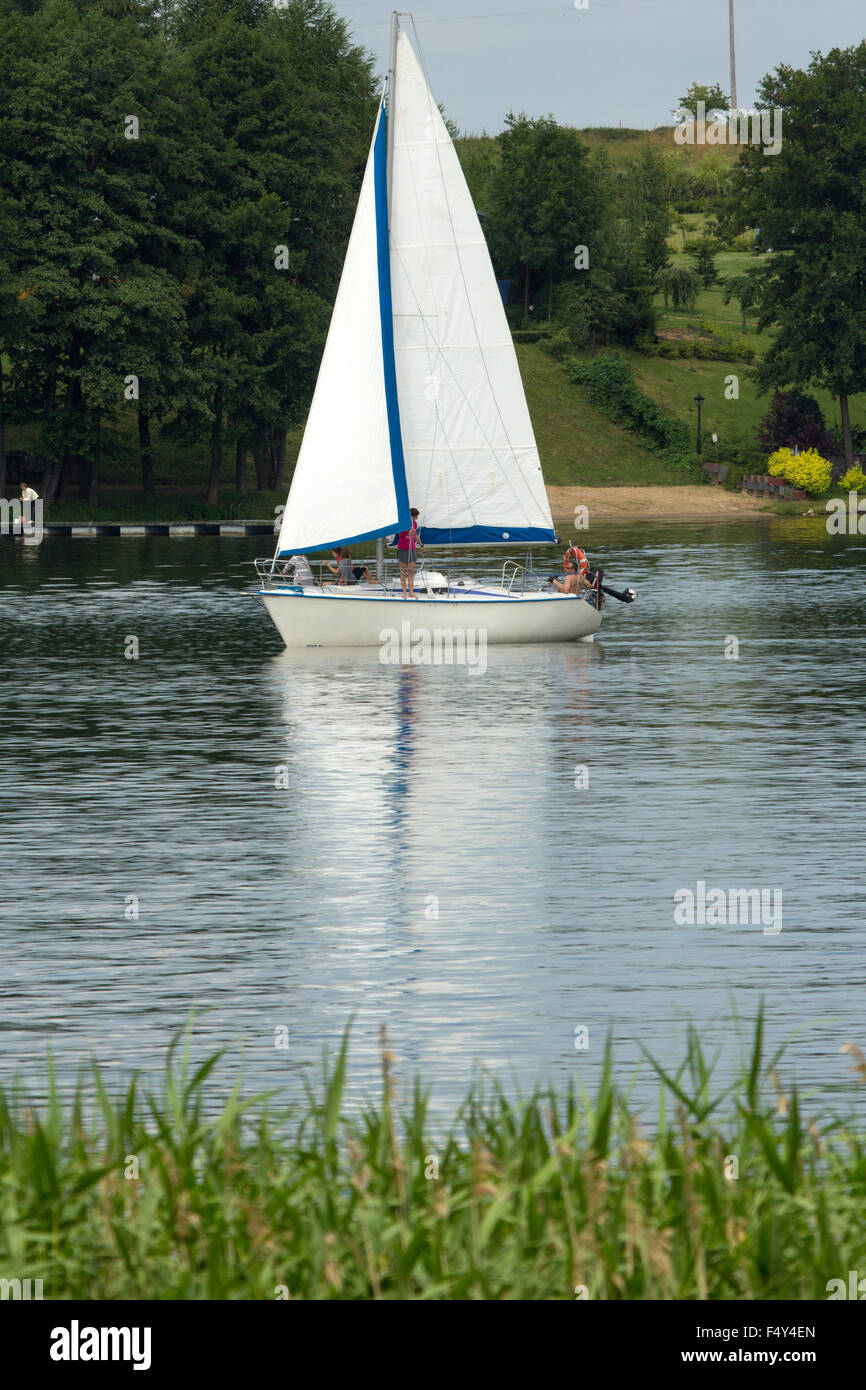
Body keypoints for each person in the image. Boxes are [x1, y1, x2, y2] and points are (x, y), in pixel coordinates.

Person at [396, 508, 423, 598]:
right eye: (416, 516)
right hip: (403, 549)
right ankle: (404, 592)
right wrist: (408, 531)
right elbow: (401, 534)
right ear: (412, 515)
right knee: (403, 571)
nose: (417, 517)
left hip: (412, 549)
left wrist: (421, 544)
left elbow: (415, 535)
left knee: (411, 571)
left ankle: (411, 592)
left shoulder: (414, 523)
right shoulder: (403, 524)